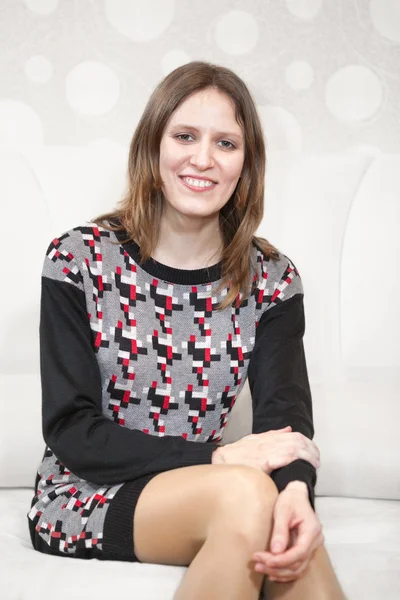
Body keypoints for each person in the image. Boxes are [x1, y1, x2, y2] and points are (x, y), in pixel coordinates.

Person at [27, 61, 346, 600]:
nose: (203, 158)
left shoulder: (272, 280)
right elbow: (72, 431)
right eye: (185, 136)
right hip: (85, 493)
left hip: (212, 486)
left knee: (278, 519)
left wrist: (295, 491)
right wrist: (220, 457)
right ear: (153, 145)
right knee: (247, 495)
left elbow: (284, 419)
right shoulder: (79, 259)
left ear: (246, 165)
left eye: (226, 143)